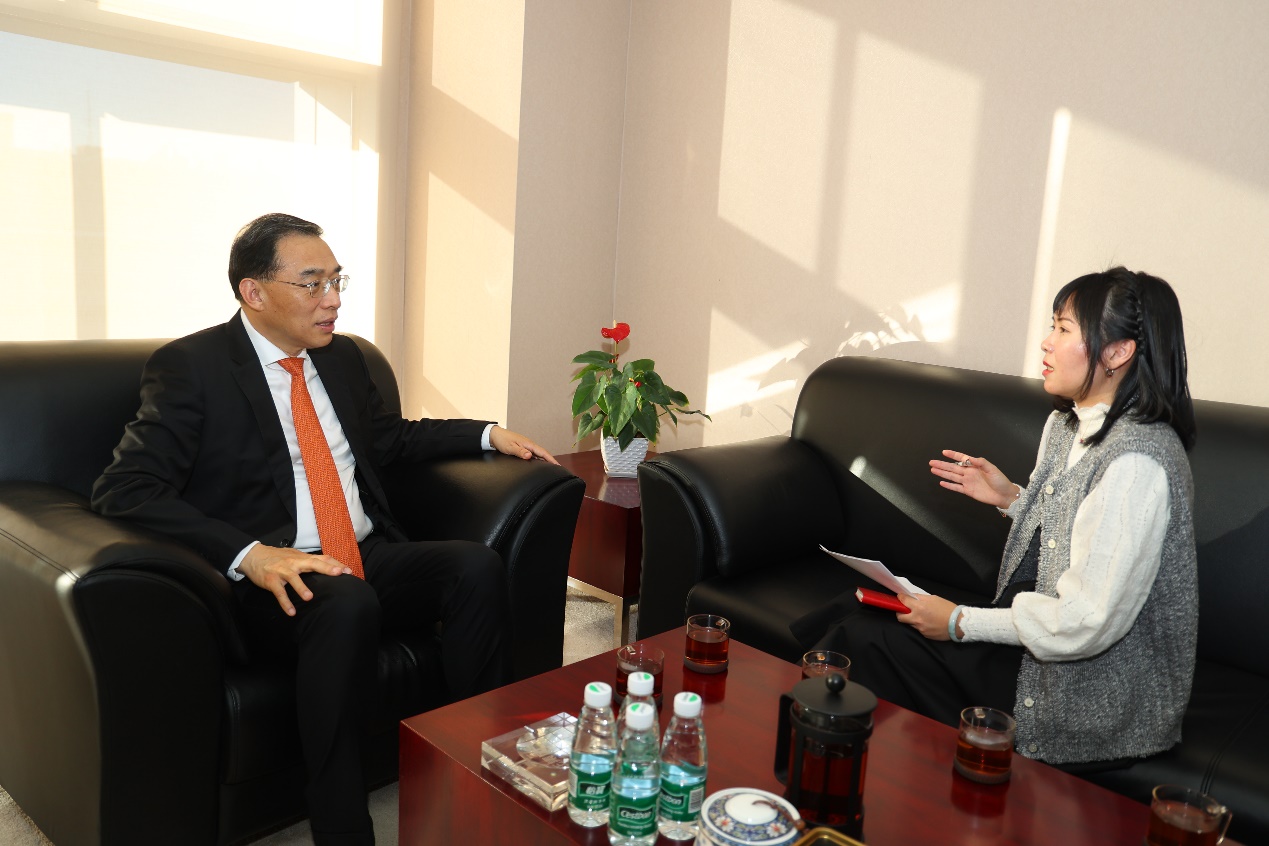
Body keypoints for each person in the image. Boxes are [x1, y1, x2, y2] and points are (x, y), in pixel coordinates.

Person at [91, 212, 558, 845]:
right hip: (272, 578)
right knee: (345, 602)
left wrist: (485, 433)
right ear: (254, 292)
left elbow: (388, 439)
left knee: (474, 567)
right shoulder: (191, 367)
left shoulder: (340, 358)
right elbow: (125, 487)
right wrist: (249, 554)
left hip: (362, 552)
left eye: (337, 280)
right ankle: (341, 827)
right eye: (312, 283)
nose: (332, 299)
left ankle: (479, 773)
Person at [795, 267, 1198, 770]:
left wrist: (958, 622)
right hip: (1039, 642)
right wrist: (1012, 498)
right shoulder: (1067, 424)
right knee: (856, 610)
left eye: (1063, 329)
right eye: (1052, 326)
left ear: (1118, 353)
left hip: (1082, 691)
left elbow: (1087, 622)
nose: (1047, 343)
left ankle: (823, 774)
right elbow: (1077, 534)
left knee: (869, 641)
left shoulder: (1137, 463)